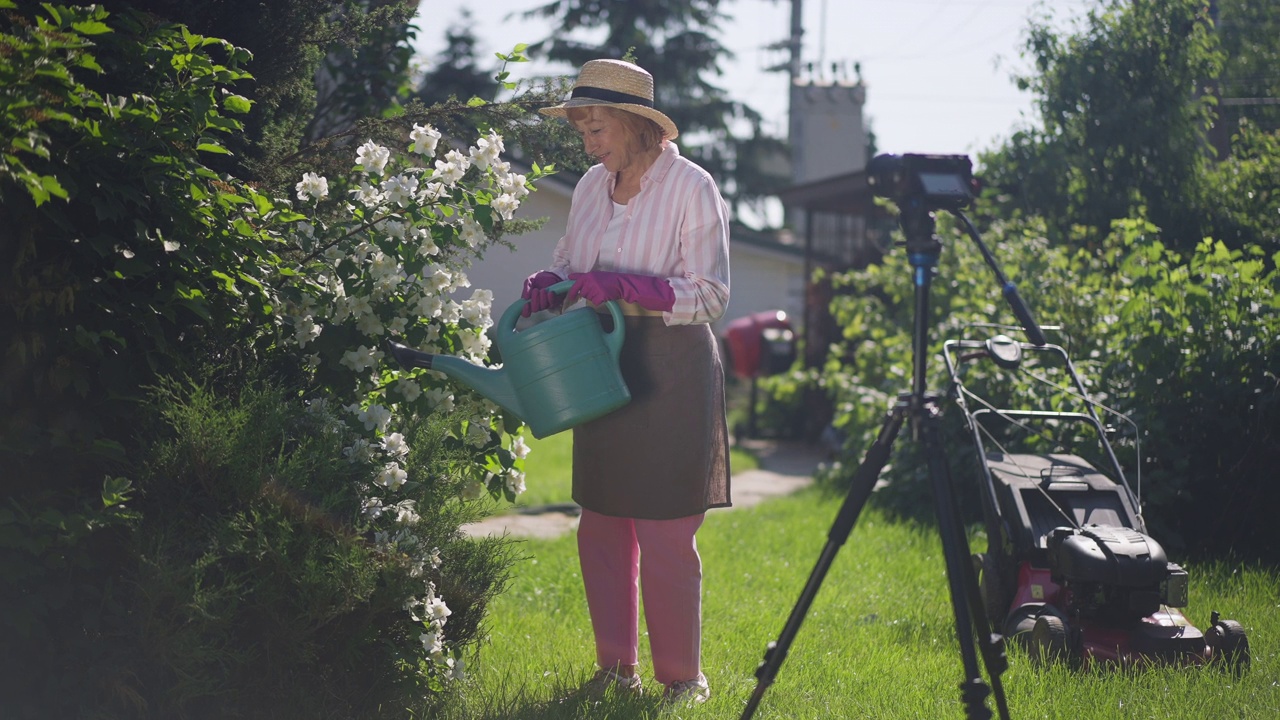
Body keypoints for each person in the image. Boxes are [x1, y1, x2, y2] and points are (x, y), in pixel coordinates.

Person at [521, 58, 732, 706]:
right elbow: (570, 261)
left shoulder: (692, 186)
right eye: (582, 129)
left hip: (671, 363)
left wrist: (626, 286)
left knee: (666, 529)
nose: (588, 143)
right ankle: (617, 670)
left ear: (636, 124)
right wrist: (551, 283)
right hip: (601, 360)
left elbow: (712, 294)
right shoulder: (589, 186)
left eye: (596, 128)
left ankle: (682, 680)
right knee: (602, 522)